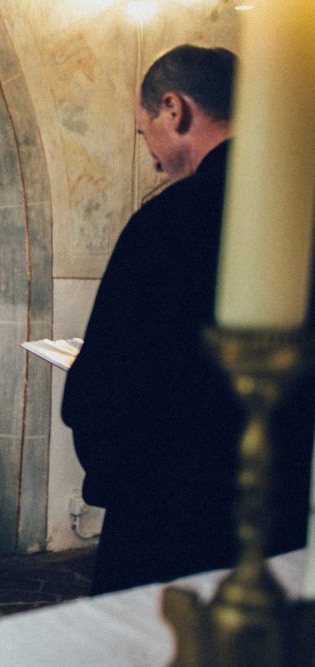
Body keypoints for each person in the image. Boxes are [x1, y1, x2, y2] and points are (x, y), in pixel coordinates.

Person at [61, 44, 315, 595]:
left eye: (142, 132)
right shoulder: (303, 206)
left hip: (175, 513)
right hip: (295, 509)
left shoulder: (173, 220)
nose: (150, 157)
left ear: (174, 109)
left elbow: (108, 386)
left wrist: (107, 466)